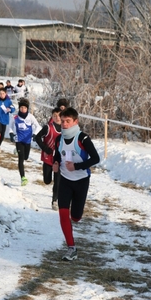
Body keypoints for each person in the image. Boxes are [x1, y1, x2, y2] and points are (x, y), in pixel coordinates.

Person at [53, 107, 100, 261]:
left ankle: (76, 217)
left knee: (76, 217)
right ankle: (71, 248)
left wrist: (77, 166)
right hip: (65, 181)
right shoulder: (59, 139)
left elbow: (95, 159)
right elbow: (57, 154)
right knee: (63, 214)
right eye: (63, 121)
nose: (65, 124)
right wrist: (55, 162)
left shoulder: (83, 139)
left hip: (81, 181)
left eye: (68, 121)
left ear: (75, 122)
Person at [35, 107, 62, 210]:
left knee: (58, 181)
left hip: (59, 159)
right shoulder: (48, 127)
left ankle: (54, 200)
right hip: (48, 157)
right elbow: (37, 138)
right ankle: (48, 180)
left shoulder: (66, 129)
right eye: (54, 116)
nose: (57, 118)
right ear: (52, 117)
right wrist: (45, 148)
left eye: (59, 115)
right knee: (47, 180)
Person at [10, 98, 40, 186]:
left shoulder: (30, 117)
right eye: (21, 108)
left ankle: (17, 151)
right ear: (19, 108)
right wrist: (11, 133)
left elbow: (38, 126)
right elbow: (10, 126)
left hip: (27, 140)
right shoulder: (15, 117)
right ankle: (23, 178)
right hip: (19, 140)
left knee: (26, 157)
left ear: (27, 109)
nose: (23, 109)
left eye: (25, 108)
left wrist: (35, 134)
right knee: (21, 159)